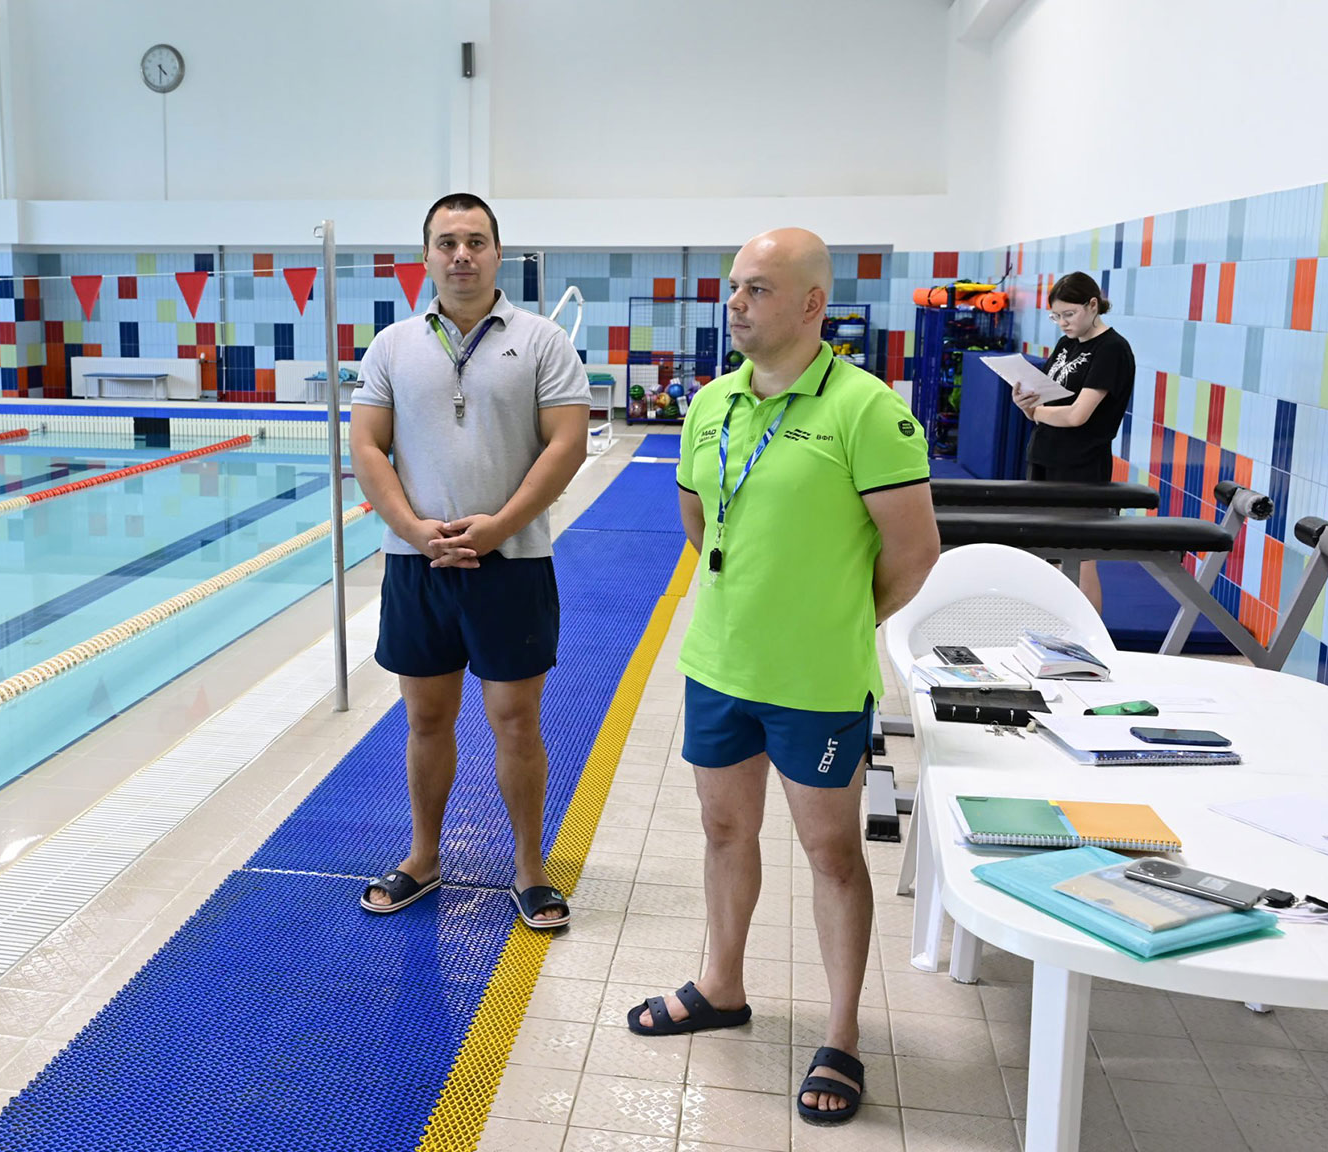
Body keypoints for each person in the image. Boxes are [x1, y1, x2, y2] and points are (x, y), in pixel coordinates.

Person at [626, 228, 940, 1127]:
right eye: (733, 286)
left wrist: (835, 619)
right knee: (725, 829)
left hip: (818, 683)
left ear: (811, 304)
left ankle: (841, 1032)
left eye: (757, 288)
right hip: (719, 665)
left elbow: (915, 553)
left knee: (832, 853)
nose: (735, 303)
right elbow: (699, 521)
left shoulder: (866, 409)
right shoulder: (710, 403)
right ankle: (721, 984)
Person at [348, 193, 591, 930]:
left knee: (515, 721)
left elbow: (567, 444)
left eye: (476, 241)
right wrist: (415, 531)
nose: (462, 255)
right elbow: (367, 446)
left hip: (511, 562)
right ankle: (424, 857)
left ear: (497, 253)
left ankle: (530, 869)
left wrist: (498, 528)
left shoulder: (543, 341)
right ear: (426, 256)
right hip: (416, 565)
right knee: (426, 719)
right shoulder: (391, 346)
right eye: (447, 242)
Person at [1014, 270, 1136, 609]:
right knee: (1048, 555)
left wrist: (1036, 412)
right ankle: (1052, 629)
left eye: (1069, 314)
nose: (1063, 323)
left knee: (1081, 558)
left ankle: (1089, 635)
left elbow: (1077, 415)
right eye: (1056, 316)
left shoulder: (1112, 349)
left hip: (1082, 465)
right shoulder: (1067, 343)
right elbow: (1044, 399)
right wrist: (1025, 403)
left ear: (1093, 305)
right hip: (1045, 455)